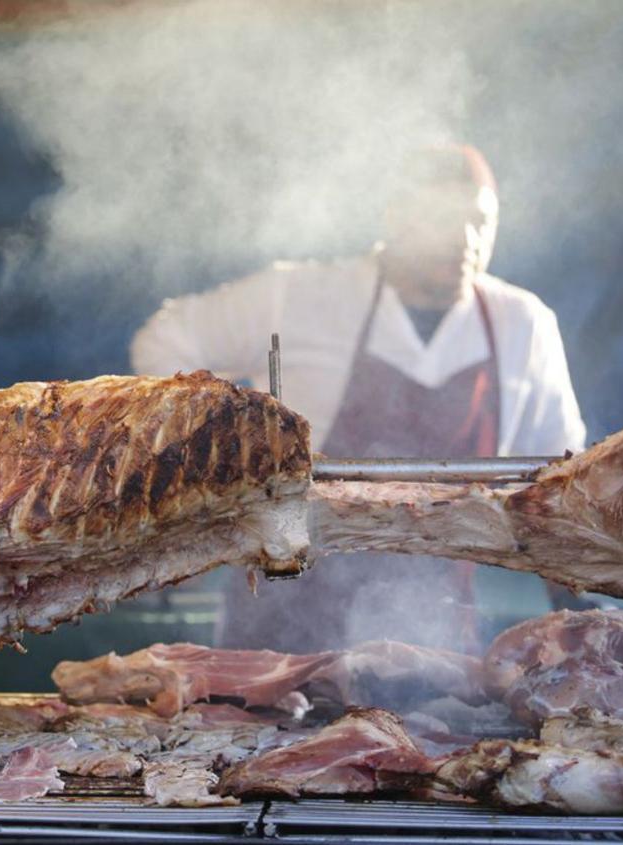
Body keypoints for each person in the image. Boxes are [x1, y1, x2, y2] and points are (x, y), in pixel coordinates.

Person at [130, 144, 586, 655]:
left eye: (480, 222)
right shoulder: (304, 295)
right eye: (441, 219)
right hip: (281, 628)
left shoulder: (522, 324)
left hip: (433, 638)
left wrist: (578, 602)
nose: (465, 240)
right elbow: (165, 337)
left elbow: (559, 476)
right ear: (395, 217)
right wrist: (223, 455)